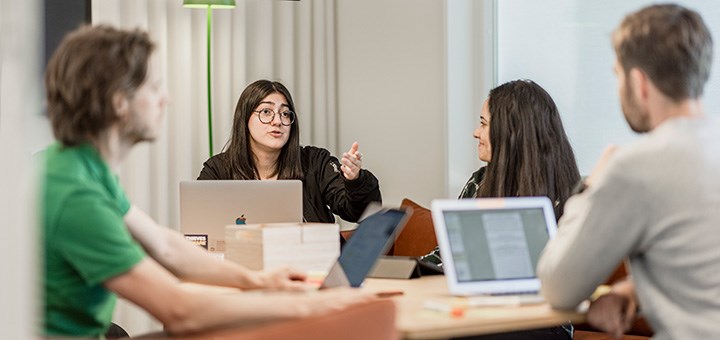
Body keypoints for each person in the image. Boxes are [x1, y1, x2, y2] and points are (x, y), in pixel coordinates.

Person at [41, 25, 372, 338]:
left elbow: (167, 246)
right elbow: (179, 310)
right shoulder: (74, 194)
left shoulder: (83, 169)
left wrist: (259, 280)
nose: (166, 98)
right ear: (118, 102)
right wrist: (308, 304)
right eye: (154, 87)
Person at [537, 4, 720, 339]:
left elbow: (557, 286)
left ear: (639, 83)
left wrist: (590, 189)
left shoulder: (636, 168)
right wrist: (634, 290)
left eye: (617, 74)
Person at [421, 79, 580, 340]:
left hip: (543, 322)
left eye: (483, 124)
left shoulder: (569, 198)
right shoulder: (479, 182)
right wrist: (411, 272)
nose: (475, 132)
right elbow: (446, 255)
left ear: (511, 133)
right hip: (481, 311)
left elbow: (565, 278)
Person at [198, 79, 382, 226]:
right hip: (246, 267)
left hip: (312, 265)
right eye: (266, 111)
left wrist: (355, 181)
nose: (277, 121)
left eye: (285, 114)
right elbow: (200, 224)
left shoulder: (315, 162)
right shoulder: (218, 169)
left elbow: (359, 213)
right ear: (244, 119)